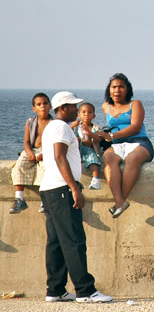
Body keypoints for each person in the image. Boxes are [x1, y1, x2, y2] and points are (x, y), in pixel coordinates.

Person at [40, 91, 112, 303]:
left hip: (50, 188)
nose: (76, 111)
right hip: (62, 188)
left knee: (56, 242)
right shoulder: (61, 127)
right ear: (63, 108)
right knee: (74, 240)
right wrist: (74, 187)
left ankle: (55, 289)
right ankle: (85, 290)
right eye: (73, 107)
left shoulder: (51, 127)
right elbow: (59, 156)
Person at [101, 73, 153, 218]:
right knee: (108, 159)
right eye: (114, 87)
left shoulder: (135, 104)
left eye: (121, 87)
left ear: (127, 89)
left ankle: (119, 202)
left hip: (139, 141)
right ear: (109, 90)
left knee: (132, 159)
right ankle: (120, 201)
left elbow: (136, 126)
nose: (117, 90)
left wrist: (111, 136)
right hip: (117, 144)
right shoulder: (106, 107)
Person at [10, 92, 52, 214]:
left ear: (50, 106)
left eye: (45, 103)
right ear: (34, 109)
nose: (42, 106)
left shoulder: (53, 123)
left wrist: (43, 154)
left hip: (47, 150)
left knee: (45, 169)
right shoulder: (30, 122)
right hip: (32, 149)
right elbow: (27, 141)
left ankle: (45, 201)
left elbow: (55, 143)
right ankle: (19, 198)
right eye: (39, 104)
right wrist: (29, 152)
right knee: (19, 166)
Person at [72, 103, 103, 190]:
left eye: (90, 112)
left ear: (94, 115)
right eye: (83, 112)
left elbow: (98, 139)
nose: (86, 114)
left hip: (90, 150)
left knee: (93, 160)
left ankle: (95, 180)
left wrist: (89, 133)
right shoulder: (76, 127)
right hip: (77, 151)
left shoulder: (96, 128)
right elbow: (67, 133)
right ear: (78, 115)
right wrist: (71, 126)